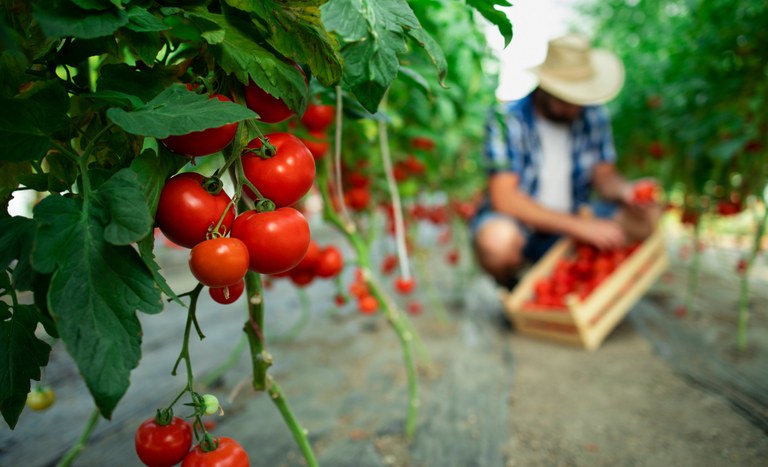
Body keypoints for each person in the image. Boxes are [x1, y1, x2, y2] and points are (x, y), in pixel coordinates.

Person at [471, 33, 661, 289]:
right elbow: (504, 198)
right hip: (524, 228)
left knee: (648, 217)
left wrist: (626, 191)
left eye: (579, 98)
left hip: (575, 220)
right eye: (566, 98)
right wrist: (580, 227)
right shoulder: (506, 120)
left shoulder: (592, 116)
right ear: (545, 87)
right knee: (496, 242)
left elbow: (604, 176)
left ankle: (581, 278)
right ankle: (515, 285)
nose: (575, 108)